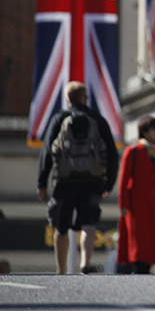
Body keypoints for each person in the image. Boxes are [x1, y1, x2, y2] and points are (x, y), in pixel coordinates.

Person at [36, 81, 119, 274]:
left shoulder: (60, 118)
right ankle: (84, 264)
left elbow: (48, 151)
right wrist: (109, 182)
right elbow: (111, 153)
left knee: (61, 226)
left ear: (67, 99)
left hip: (64, 180)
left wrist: (41, 182)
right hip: (92, 179)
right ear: (85, 98)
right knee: (89, 223)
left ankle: (61, 268)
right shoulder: (97, 119)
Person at [117, 117, 155, 274]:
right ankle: (139, 267)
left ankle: (147, 267)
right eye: (154, 129)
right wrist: (123, 204)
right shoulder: (133, 151)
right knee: (139, 238)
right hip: (136, 202)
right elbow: (123, 180)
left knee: (154, 238)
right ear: (144, 131)